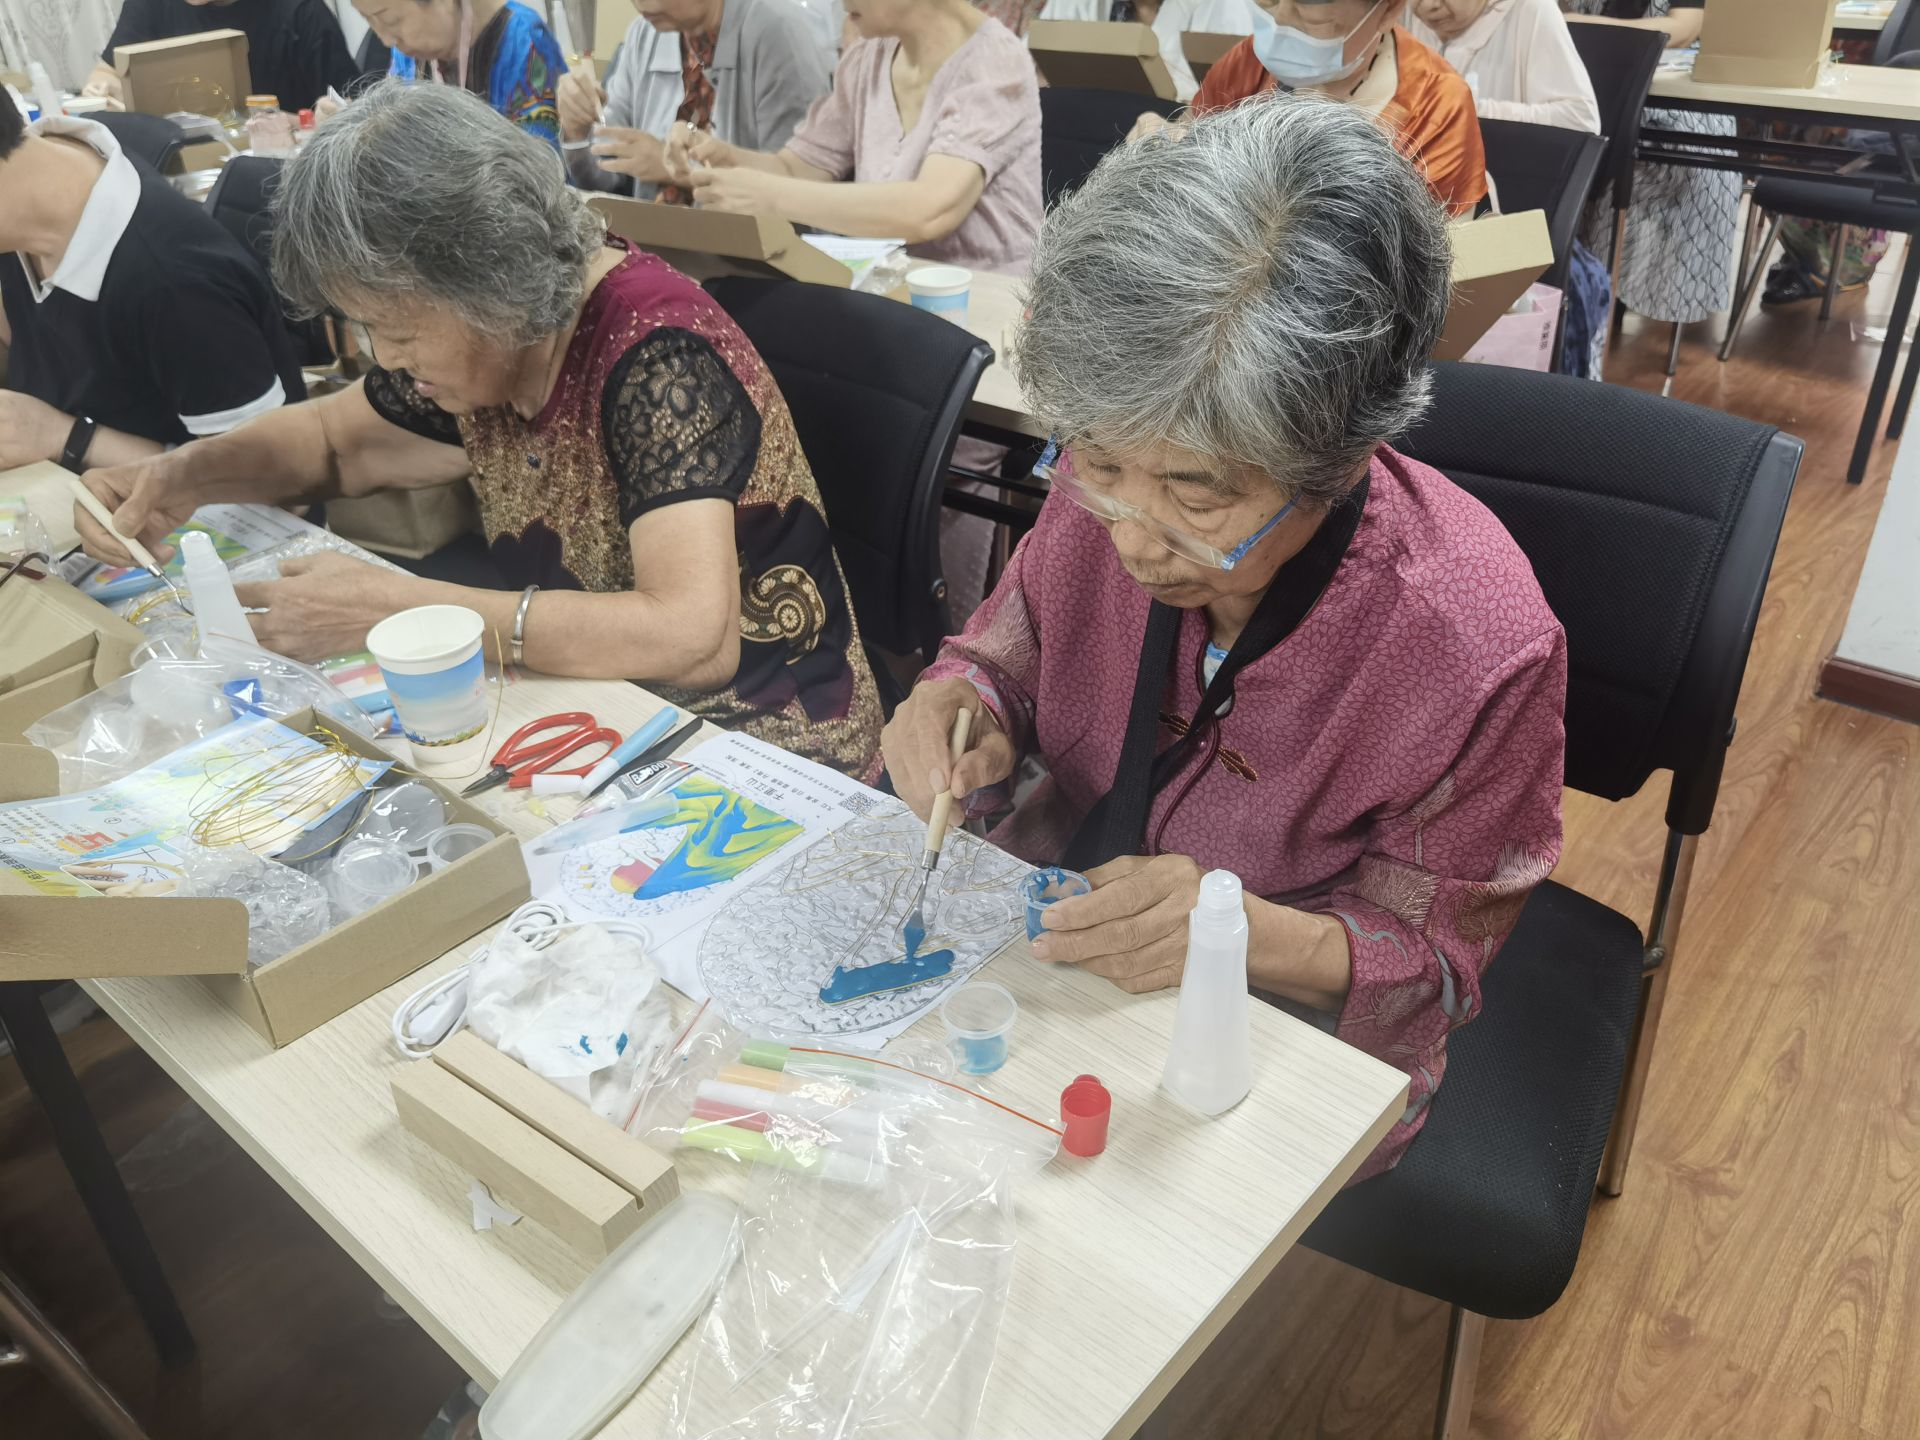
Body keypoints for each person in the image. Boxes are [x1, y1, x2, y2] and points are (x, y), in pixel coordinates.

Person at [881, 94, 1565, 1179]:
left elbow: (1437, 960)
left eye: (1198, 495)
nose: (1132, 535)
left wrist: (1230, 929)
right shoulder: (1118, 475)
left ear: (1339, 458)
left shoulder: (1471, 645)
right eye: (1100, 464)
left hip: (1264, 1023)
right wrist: (962, 705)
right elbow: (1003, 656)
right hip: (1054, 936)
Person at [72, 82, 884, 778]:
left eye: (394, 328)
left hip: (762, 747)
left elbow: (691, 639)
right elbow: (331, 442)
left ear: (485, 282)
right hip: (600, 711)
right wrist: (182, 477)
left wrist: (403, 610)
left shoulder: (660, 353)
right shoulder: (485, 351)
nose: (383, 355)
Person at [0, 103, 302, 472]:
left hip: (205, 497)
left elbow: (262, 478)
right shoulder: (28, 202)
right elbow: (23, 338)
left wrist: (61, 436)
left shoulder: (175, 284)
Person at [682, 0, 1042, 274]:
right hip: (894, 294)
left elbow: (929, 212)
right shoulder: (868, 60)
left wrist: (769, 196)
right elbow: (796, 168)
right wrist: (721, 158)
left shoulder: (995, 63)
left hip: (987, 308)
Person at [1139, 0, 1488, 216]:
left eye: (1313, 19)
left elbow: (1438, 274)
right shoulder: (1249, 61)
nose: (1279, 24)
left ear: (1388, 10)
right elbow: (1189, 133)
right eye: (1267, 2)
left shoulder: (1434, 105)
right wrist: (1166, 143)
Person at [1564, 0, 1736, 343]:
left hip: (1675, 99)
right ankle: (1577, 285)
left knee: (1688, 168)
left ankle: (1611, 287)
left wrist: (1580, 24)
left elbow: (1683, 29)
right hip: (1587, 83)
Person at [560, 0, 831, 202]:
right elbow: (603, 180)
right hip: (657, 245)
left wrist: (676, 170)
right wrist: (576, 132)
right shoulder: (644, 35)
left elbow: (798, 188)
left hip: (752, 252)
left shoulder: (776, 31)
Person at [352, 0, 567, 146]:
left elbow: (541, 169)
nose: (386, 40)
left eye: (391, 21)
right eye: (369, 20)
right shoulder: (407, 51)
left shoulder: (523, 43)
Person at [83, 0, 362, 112]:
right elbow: (108, 72)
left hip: (278, 171)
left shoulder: (301, 11)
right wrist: (104, 89)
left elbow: (354, 110)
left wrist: (310, 122)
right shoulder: (150, 4)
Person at [1408, 0, 1598, 132]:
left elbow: (1580, 120)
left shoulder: (1530, 9)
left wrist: (1475, 111)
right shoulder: (1405, 14)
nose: (1428, 5)